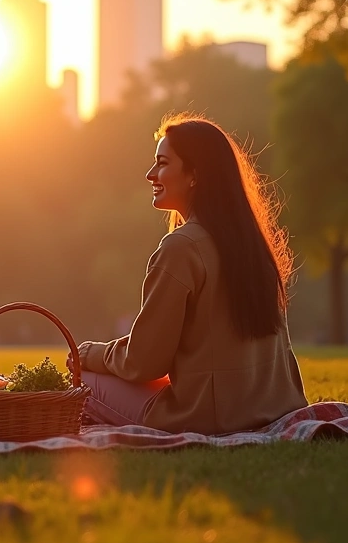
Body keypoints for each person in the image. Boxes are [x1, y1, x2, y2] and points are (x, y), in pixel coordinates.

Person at [72, 114, 308, 435]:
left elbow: (144, 362)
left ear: (194, 174)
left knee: (81, 380)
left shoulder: (182, 247)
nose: (150, 174)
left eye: (163, 163)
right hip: (275, 407)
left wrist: (89, 354)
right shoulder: (253, 243)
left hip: (208, 418)